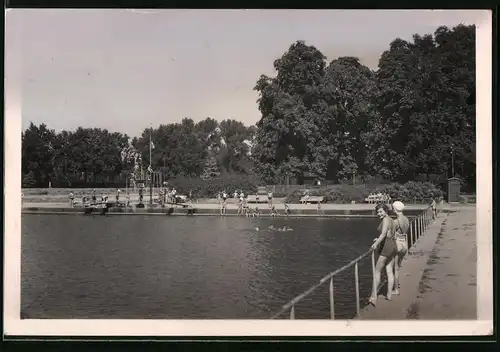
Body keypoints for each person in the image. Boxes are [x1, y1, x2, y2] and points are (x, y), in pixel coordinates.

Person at [369, 203, 397, 306]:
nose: (379, 214)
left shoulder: (385, 220)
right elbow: (389, 234)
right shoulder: (391, 219)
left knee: (377, 271)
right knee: (389, 271)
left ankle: (373, 296)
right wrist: (379, 239)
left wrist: (375, 244)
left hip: (387, 246)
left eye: (381, 211)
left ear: (386, 211)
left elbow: (384, 233)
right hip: (393, 245)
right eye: (377, 212)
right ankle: (389, 294)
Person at [392, 201, 409, 296]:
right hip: (404, 244)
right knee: (398, 267)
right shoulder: (406, 219)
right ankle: (397, 285)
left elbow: (390, 234)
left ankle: (396, 289)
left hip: (398, 244)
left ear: (395, 209)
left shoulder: (395, 222)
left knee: (395, 269)